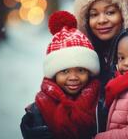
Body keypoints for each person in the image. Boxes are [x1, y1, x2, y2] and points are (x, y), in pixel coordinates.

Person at [20, 11, 100, 139]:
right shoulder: (39, 109)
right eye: (65, 71)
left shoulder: (100, 103)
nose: (73, 77)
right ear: (54, 74)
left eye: (80, 70)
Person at [73, 0, 128, 132]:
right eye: (94, 14)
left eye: (110, 12)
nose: (101, 20)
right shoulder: (83, 58)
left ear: (125, 15)